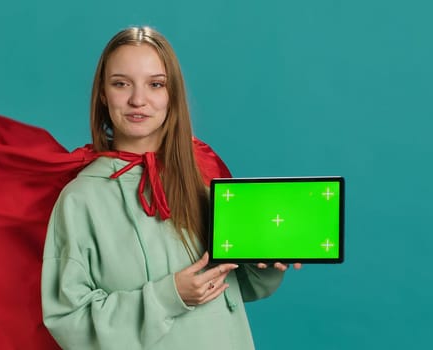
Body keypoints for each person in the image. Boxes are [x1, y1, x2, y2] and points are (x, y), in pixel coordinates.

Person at [41, 26, 301, 350]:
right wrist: (170, 296)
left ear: (171, 94)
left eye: (155, 84)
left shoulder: (203, 178)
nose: (138, 99)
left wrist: (264, 262)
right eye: (121, 84)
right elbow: (70, 321)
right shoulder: (81, 200)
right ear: (103, 95)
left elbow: (239, 288)